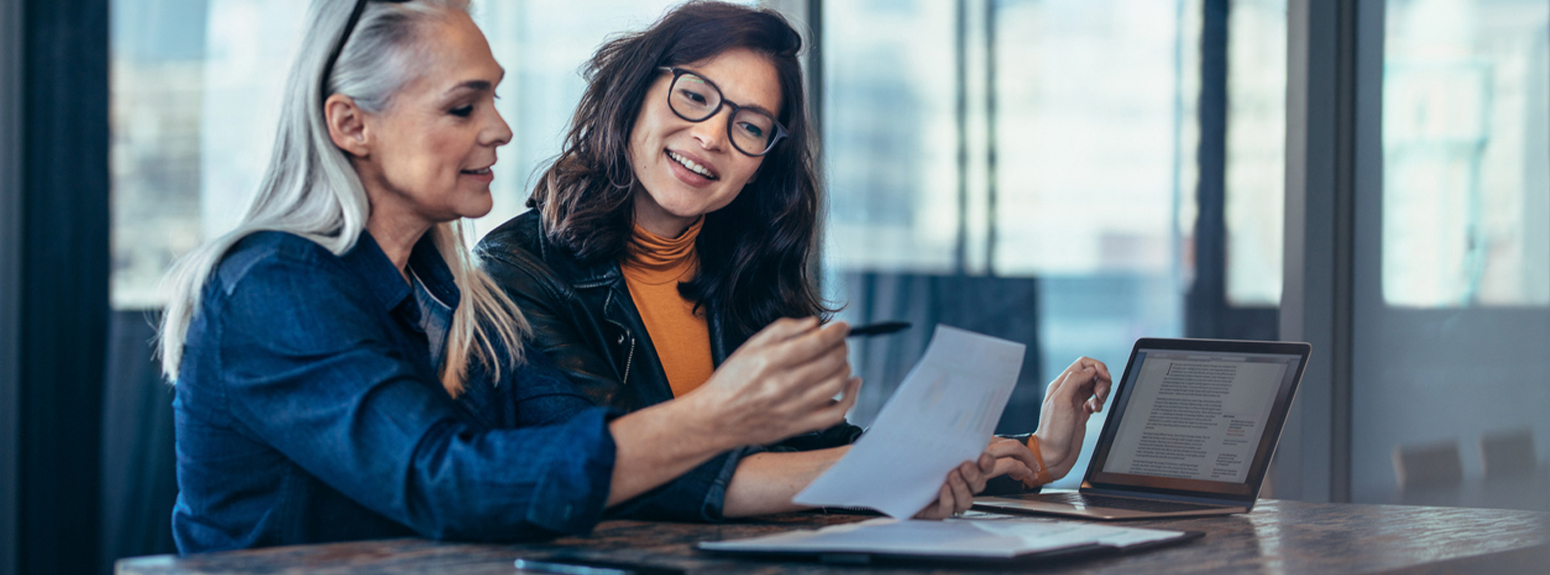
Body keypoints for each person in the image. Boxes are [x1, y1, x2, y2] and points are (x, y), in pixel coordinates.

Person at [158, 0, 1005, 554]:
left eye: (493, 98)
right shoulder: (274, 285)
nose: (500, 128)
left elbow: (568, 454)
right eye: (463, 106)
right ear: (352, 124)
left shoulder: (451, 295)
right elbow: (451, 483)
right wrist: (719, 415)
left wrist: (948, 466)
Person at [476, 0, 1113, 499]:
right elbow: (610, 471)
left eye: (749, 125)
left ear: (762, 161)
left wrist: (1036, 455)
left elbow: (819, 451)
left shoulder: (747, 272)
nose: (710, 137)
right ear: (634, 92)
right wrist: (876, 476)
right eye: (695, 96)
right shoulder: (517, 271)